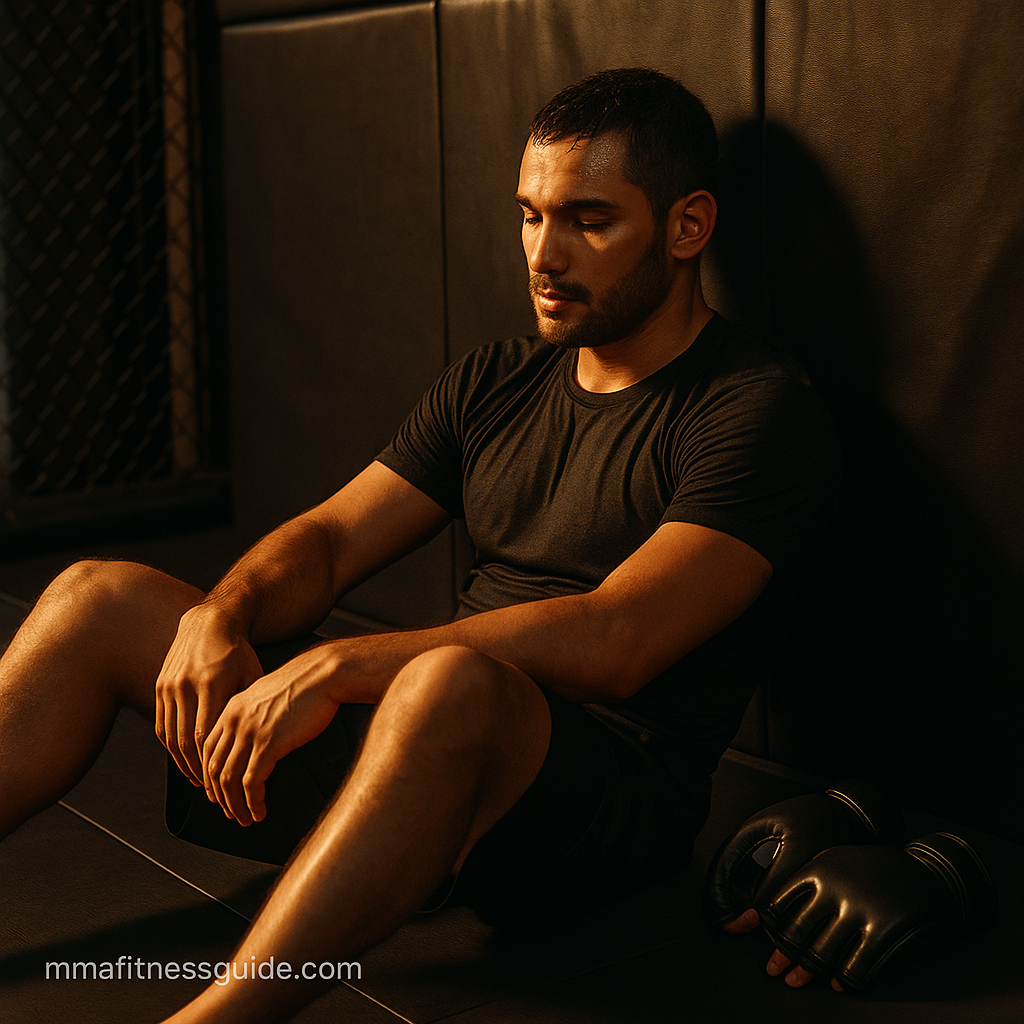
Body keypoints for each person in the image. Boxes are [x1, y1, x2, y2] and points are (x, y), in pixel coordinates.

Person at [0, 68, 838, 1021]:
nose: (544, 254)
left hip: (598, 805)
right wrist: (219, 614)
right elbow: (325, 540)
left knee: (442, 680)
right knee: (93, 596)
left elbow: (618, 639)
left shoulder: (758, 411)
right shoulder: (496, 380)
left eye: (589, 221)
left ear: (687, 227)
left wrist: (343, 667)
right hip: (415, 750)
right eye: (530, 215)